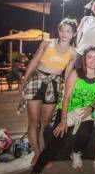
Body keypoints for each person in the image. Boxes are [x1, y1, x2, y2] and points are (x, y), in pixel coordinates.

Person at [20, 46, 95, 174]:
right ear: (84, 59)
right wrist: (63, 120)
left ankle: (75, 153)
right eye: (89, 57)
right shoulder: (76, 73)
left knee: (86, 133)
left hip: (85, 112)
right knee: (56, 142)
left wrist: (91, 108)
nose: (93, 60)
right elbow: (66, 98)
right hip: (67, 110)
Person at [18, 18, 78, 162]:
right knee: (34, 121)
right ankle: (37, 153)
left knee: (45, 123)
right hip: (36, 81)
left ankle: (42, 151)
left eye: (68, 31)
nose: (64, 34)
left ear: (74, 34)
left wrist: (67, 93)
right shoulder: (46, 43)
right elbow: (34, 62)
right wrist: (24, 80)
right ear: (58, 30)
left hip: (54, 85)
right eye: (62, 30)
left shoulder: (73, 53)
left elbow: (67, 75)